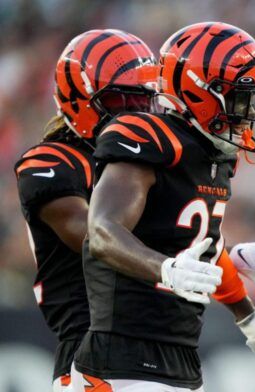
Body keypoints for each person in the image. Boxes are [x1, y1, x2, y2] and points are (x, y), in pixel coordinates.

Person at [71, 22, 255, 391]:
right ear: (201, 94)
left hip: (178, 363)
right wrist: (165, 268)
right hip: (122, 363)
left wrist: (248, 315)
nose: (251, 112)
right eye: (243, 99)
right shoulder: (148, 139)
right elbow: (101, 232)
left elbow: (197, 247)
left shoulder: (216, 157)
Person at [14, 29, 158, 391]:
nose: (135, 113)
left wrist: (230, 257)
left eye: (143, 101)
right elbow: (99, 236)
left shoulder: (140, 161)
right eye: (120, 101)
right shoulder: (49, 162)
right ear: (79, 99)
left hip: (155, 351)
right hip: (90, 354)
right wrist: (179, 261)